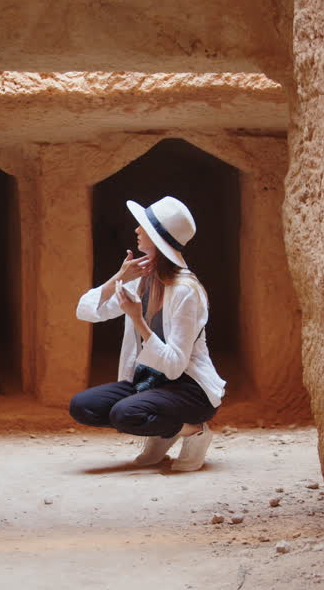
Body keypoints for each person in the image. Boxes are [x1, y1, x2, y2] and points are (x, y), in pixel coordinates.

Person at [68, 196, 225, 471]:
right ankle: (165, 432)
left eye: (142, 226)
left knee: (124, 414)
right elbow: (87, 311)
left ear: (156, 237)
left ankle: (193, 430)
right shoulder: (142, 278)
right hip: (149, 382)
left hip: (189, 389)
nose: (137, 230)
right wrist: (118, 278)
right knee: (83, 406)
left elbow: (175, 367)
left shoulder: (187, 290)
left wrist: (138, 319)